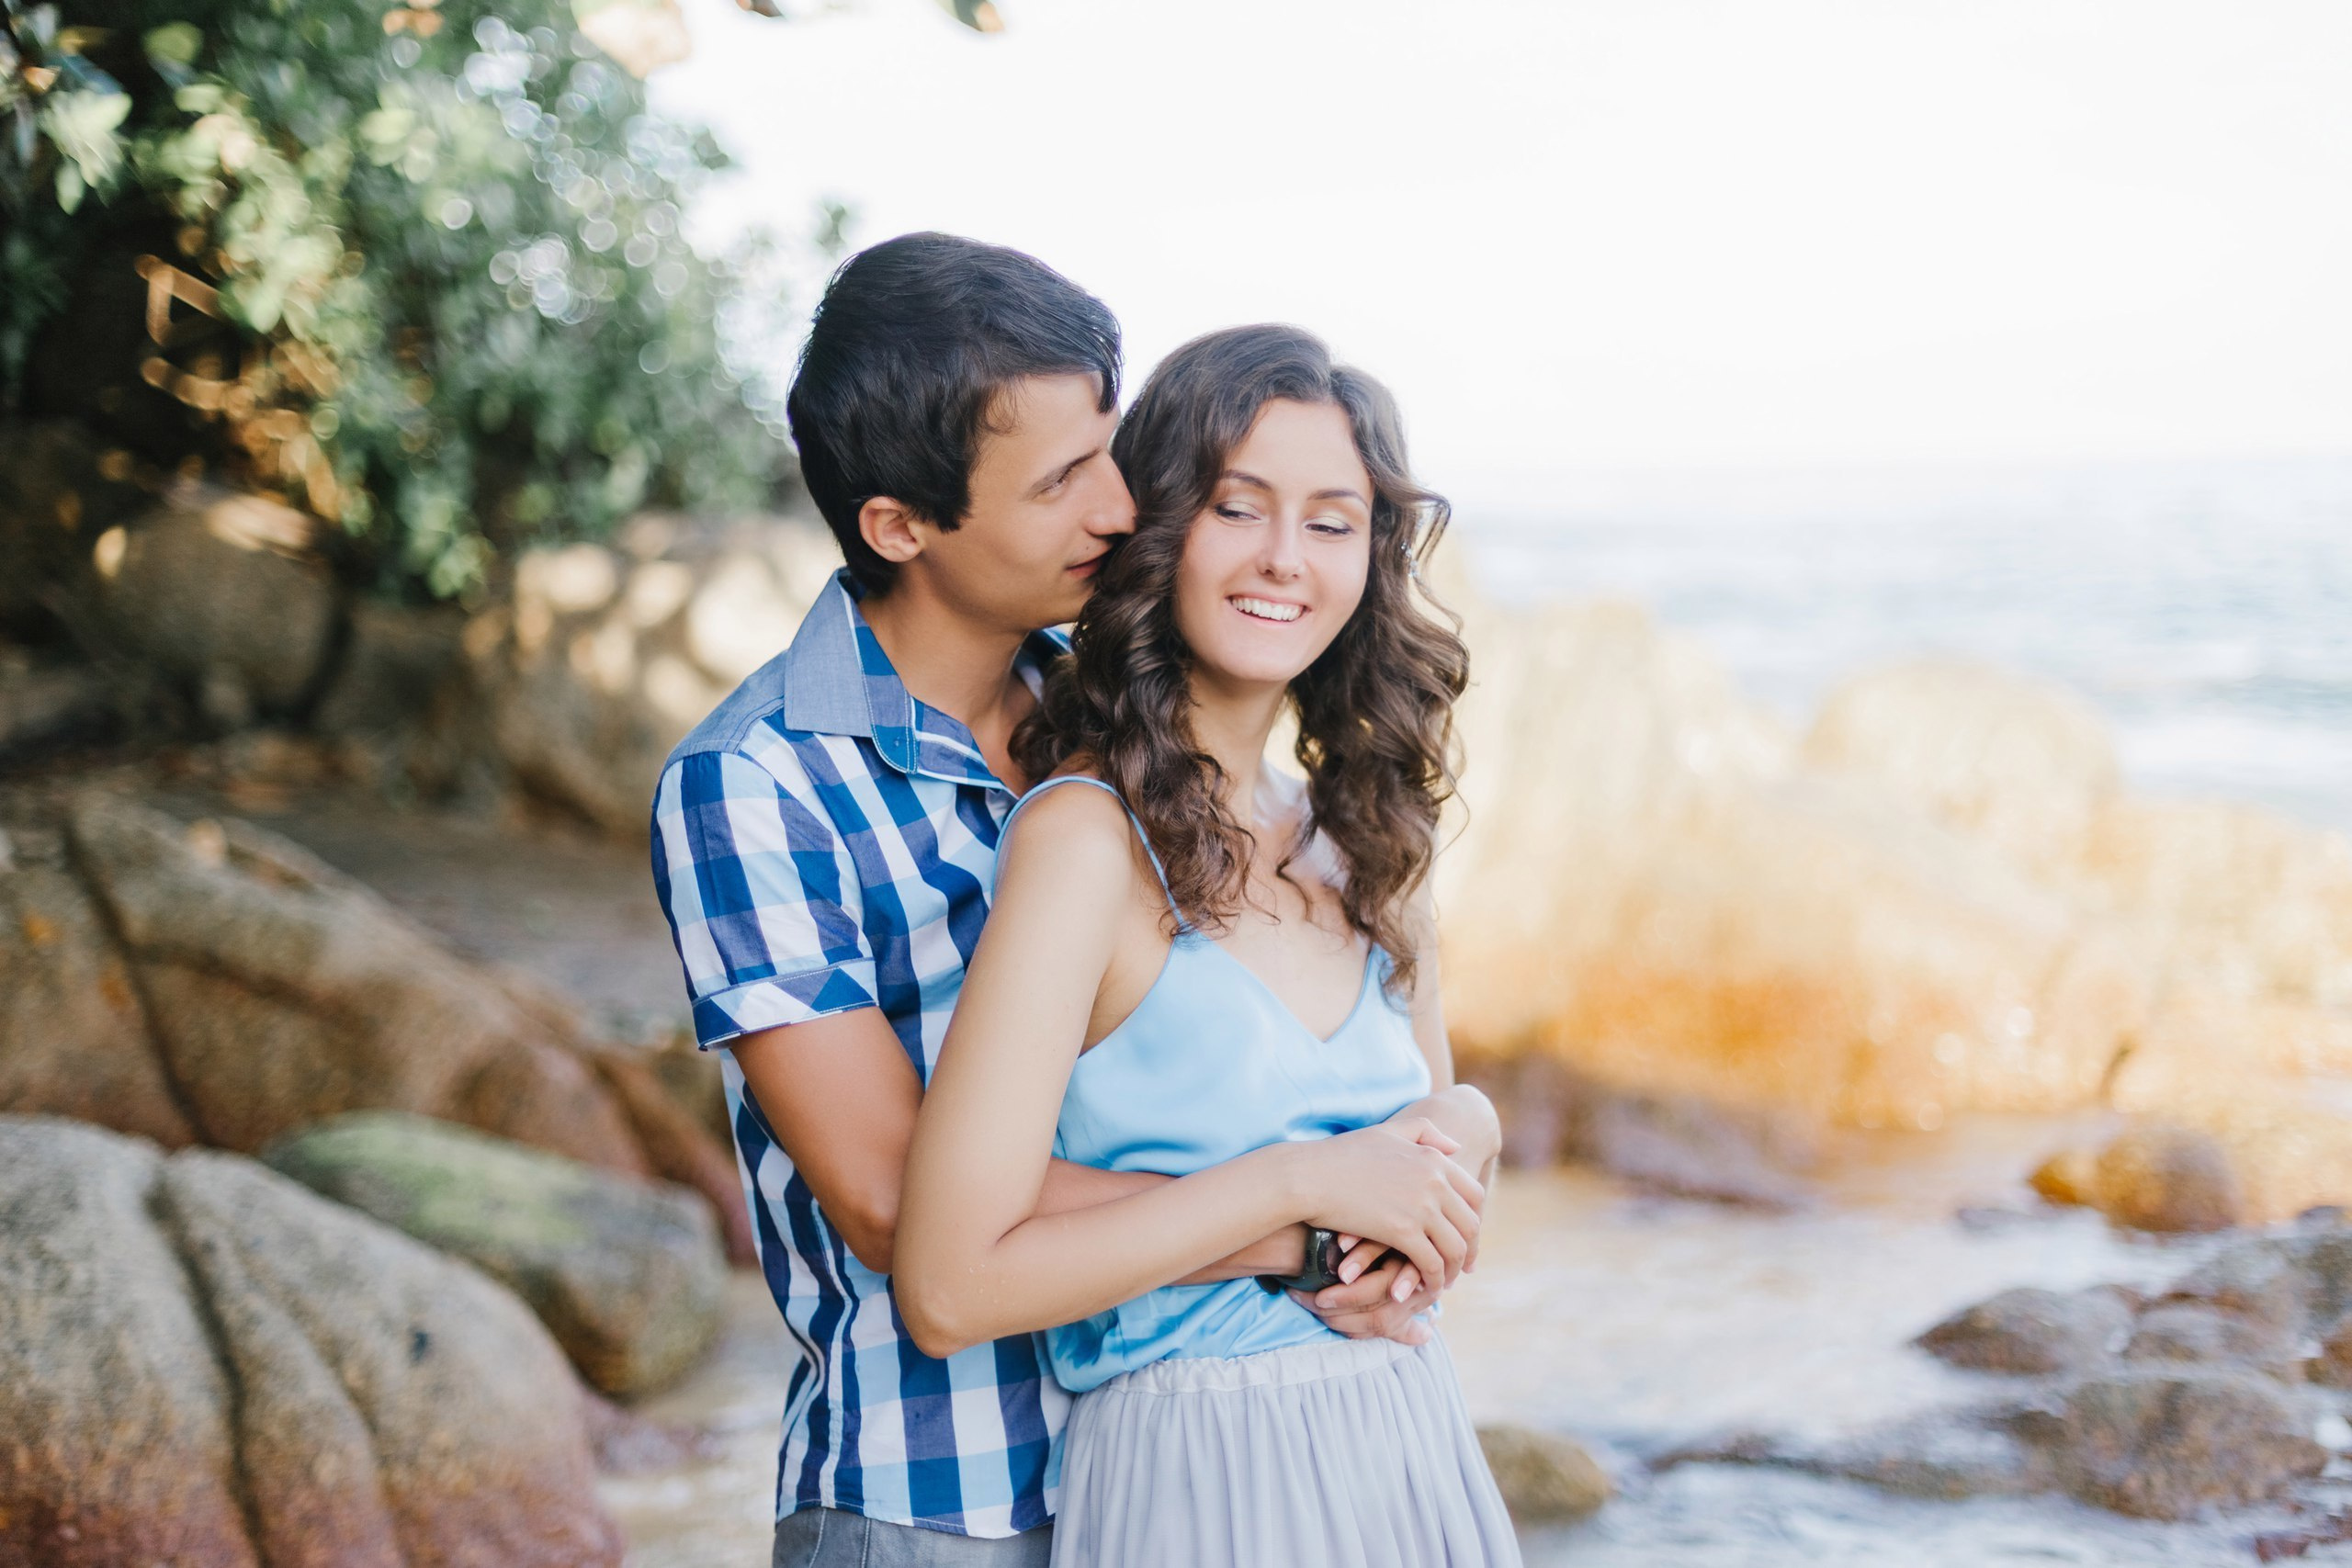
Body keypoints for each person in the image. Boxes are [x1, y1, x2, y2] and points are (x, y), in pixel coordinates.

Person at [650, 236, 1466, 1568]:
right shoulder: (755, 784)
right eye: (1061, 479)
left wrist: (1440, 1145)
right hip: (937, 1494)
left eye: (1111, 451)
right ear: (901, 527)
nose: (1122, 504)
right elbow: (895, 1204)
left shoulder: (1112, 719)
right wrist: (1315, 1227)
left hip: (1166, 1459)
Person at [894, 324, 1520, 1567]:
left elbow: (1427, 1168)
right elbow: (950, 1285)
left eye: (1333, 522)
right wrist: (1295, 1184)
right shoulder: (1084, 844)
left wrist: (1475, 1124)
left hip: (1410, 1452)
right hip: (1198, 1477)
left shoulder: (1367, 838)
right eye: (1239, 508)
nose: (1285, 556)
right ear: (1163, 527)